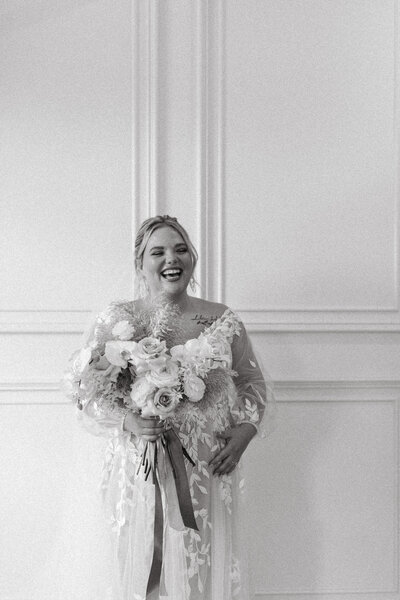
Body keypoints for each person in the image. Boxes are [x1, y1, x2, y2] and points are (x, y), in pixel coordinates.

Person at [61, 214, 275, 600]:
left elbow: (253, 383)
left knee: (200, 563)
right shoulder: (118, 320)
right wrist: (128, 420)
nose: (170, 259)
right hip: (138, 467)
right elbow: (85, 392)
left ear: (191, 257)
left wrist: (245, 431)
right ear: (140, 264)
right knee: (143, 559)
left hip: (206, 465)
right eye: (157, 252)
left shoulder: (220, 318)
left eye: (180, 249)